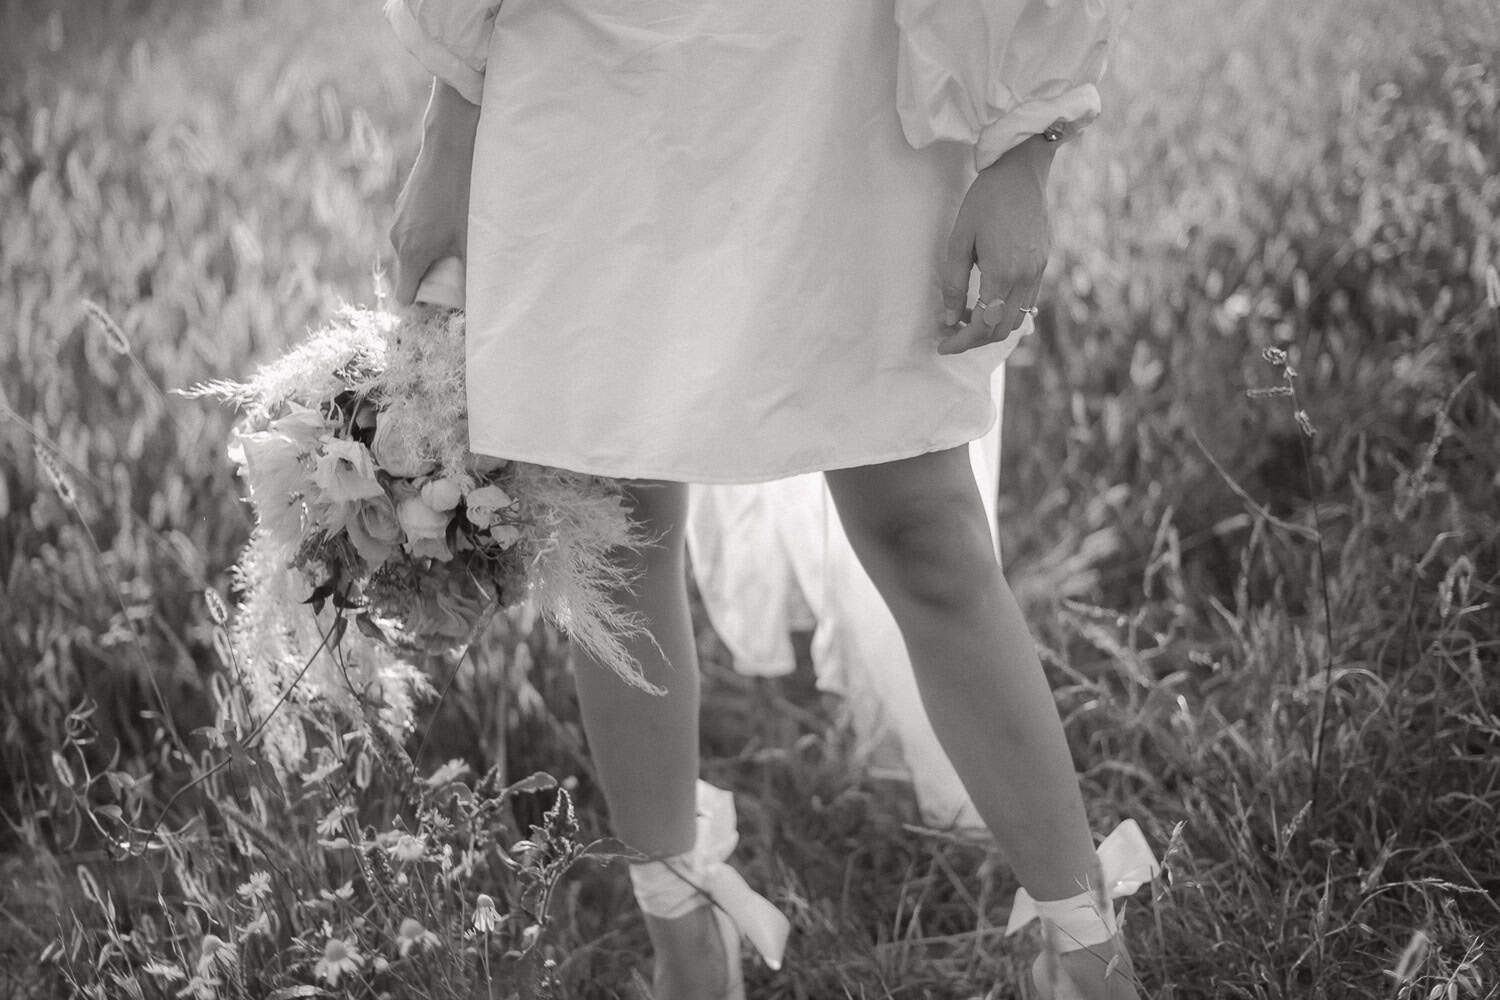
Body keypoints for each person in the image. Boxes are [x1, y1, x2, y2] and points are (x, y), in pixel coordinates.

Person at [384, 1, 1152, 997]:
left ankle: (1089, 954)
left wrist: (1031, 141)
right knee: (615, 524)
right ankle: (683, 938)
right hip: (593, 70)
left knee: (926, 528)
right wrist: (451, 123)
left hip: (842, 71)